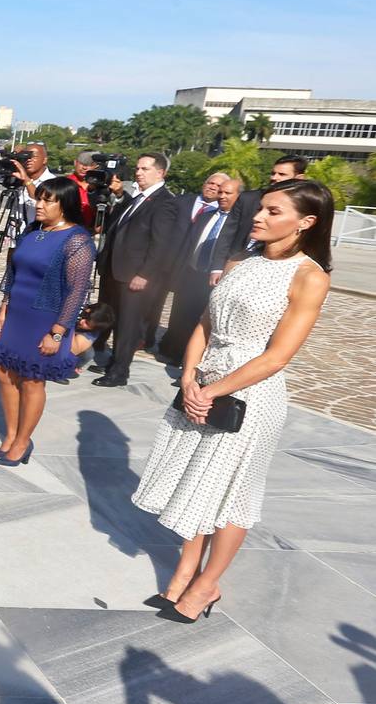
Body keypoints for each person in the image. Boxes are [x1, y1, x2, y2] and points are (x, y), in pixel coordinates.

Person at [133, 180, 333, 624]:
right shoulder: (243, 261)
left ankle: (207, 584)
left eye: (273, 211)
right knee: (196, 479)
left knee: (231, 491)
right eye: (261, 208)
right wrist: (188, 376)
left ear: (306, 221)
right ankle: (186, 568)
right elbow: (205, 321)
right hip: (203, 380)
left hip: (250, 396)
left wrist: (211, 390)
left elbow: (278, 356)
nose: (258, 216)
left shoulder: (309, 276)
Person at [0, 178, 96, 464]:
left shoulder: (77, 240)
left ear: (65, 205)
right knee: (3, 371)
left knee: (32, 380)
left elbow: (77, 291)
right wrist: (5, 306)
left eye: (48, 201)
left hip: (47, 318)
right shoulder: (33, 231)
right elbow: (14, 272)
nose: (40, 204)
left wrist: (57, 333)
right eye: (39, 199)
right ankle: (10, 435)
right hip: (18, 312)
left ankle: (23, 443)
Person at [91, 153, 179, 387]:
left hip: (135, 275)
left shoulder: (164, 203)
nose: (138, 172)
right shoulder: (139, 198)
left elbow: (161, 244)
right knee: (115, 319)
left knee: (128, 325)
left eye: (145, 169)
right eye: (138, 168)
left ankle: (119, 372)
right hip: (117, 271)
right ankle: (112, 361)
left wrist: (145, 274)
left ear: (160, 173)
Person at [157, 178, 241, 361]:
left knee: (205, 321)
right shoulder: (206, 215)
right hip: (191, 273)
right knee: (181, 315)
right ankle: (175, 351)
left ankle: (196, 358)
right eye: (220, 192)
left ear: (239, 196)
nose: (222, 196)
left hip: (216, 279)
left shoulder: (240, 224)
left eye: (228, 193)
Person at [209, 155, 308, 283]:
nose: (274, 177)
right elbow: (227, 233)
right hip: (236, 265)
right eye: (273, 173)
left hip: (277, 272)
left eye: (282, 174)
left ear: (299, 178)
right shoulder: (248, 199)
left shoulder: (305, 206)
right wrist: (217, 267)